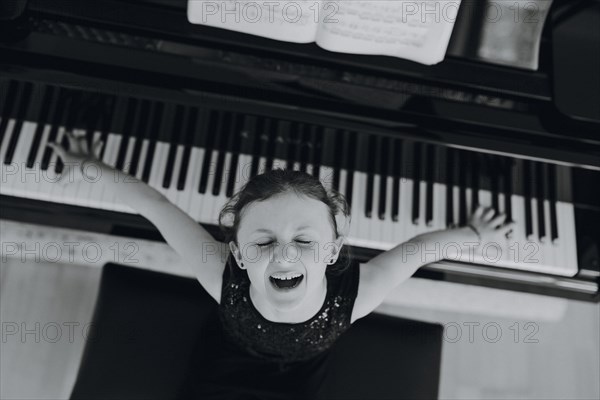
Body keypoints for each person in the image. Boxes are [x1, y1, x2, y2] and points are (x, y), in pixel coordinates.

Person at [48, 130, 515, 399]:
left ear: (333, 251)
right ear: (236, 253)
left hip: (300, 380)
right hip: (221, 367)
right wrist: (90, 166)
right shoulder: (218, 274)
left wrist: (471, 234)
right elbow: (155, 206)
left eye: (304, 239)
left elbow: (418, 250)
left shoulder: (359, 294)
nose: (284, 253)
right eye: (264, 239)